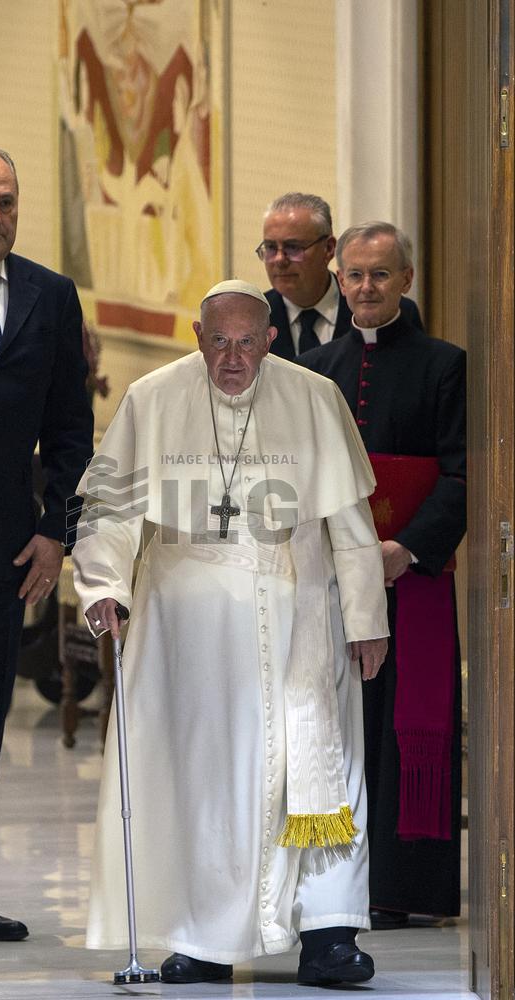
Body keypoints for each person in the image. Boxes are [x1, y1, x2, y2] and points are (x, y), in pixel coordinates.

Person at [72, 279, 389, 987]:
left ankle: (328, 937)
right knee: (202, 786)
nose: (233, 358)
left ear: (269, 339)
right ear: (197, 338)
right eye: (219, 342)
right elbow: (110, 510)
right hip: (186, 634)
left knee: (318, 775)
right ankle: (204, 939)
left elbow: (350, 526)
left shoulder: (312, 398)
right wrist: (102, 586)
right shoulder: (152, 398)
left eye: (248, 342)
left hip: (298, 612)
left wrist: (366, 618)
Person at [297, 223, 466, 927]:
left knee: (405, 727)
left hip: (414, 577)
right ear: (338, 280)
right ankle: (340, 882)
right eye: (354, 275)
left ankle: (406, 889)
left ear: (406, 278)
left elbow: (461, 472)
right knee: (340, 724)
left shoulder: (443, 365)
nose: (365, 288)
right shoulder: (315, 365)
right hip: (330, 577)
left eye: (379, 275)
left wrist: (408, 549)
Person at [0, 143, 94, 940]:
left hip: (3, 558)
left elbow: (71, 429)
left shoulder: (48, 294)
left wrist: (54, 532)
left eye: (6, 200)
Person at [257, 192, 423, 361]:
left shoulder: (391, 309)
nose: (279, 260)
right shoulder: (254, 317)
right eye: (270, 247)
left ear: (329, 249)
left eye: (293, 247)